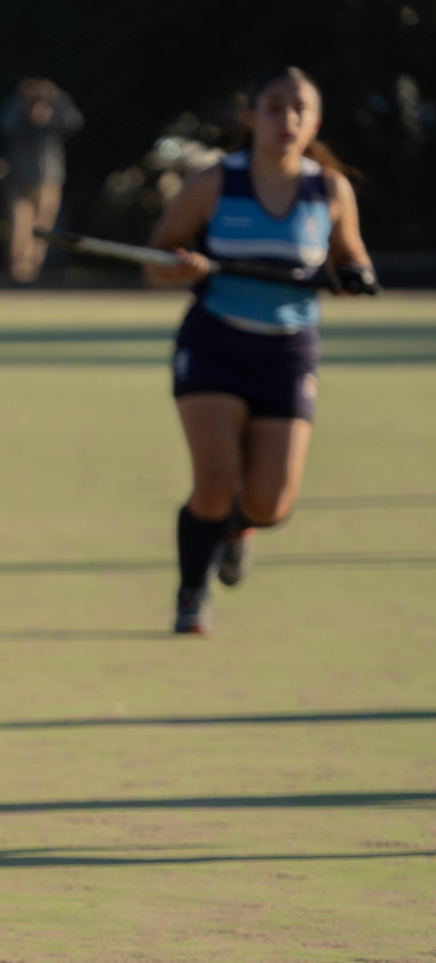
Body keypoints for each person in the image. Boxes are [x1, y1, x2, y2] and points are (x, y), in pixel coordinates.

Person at [143, 67, 377, 634]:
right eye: (274, 107)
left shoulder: (329, 190)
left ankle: (236, 529)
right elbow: (157, 260)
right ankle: (192, 593)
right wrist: (180, 267)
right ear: (251, 118)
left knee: (270, 505)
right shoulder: (213, 183)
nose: (287, 119)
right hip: (215, 343)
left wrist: (354, 276)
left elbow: (353, 258)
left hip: (287, 354)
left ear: (315, 122)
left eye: (300, 109)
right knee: (216, 479)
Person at [0, 78, 81, 283]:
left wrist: (56, 97)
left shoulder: (53, 112)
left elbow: (74, 121)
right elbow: (2, 124)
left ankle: (32, 268)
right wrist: (22, 102)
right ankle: (19, 269)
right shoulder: (17, 111)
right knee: (20, 224)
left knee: (42, 227)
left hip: (49, 180)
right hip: (19, 180)